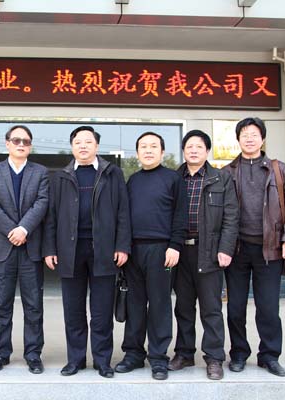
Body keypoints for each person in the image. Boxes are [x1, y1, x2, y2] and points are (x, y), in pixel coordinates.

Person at [44, 126, 131, 379]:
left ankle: (102, 361)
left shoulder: (112, 173)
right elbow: (51, 216)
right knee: (73, 310)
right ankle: (76, 360)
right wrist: (50, 248)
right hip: (69, 250)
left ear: (97, 146)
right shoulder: (60, 177)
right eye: (78, 142)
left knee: (102, 311)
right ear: (72, 147)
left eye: (88, 142)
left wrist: (122, 245)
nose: (83, 146)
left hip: (103, 250)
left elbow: (123, 211)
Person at [223, 117, 285, 377]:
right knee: (235, 307)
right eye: (244, 134)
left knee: (268, 308)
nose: (249, 138)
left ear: (263, 139)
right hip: (237, 250)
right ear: (238, 139)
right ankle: (238, 353)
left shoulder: (280, 170)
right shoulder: (227, 172)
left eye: (254, 134)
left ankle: (269, 355)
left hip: (270, 249)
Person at [115, 132, 186, 380]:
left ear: (162, 152)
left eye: (153, 146)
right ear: (137, 153)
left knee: (159, 305)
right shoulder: (132, 180)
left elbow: (181, 215)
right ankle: (133, 354)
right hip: (134, 251)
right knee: (134, 305)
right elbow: (123, 217)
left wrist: (175, 245)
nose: (148, 150)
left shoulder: (173, 179)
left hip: (162, 251)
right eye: (143, 147)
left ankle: (158, 358)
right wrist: (124, 247)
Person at [168, 130, 238, 380]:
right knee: (183, 307)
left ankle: (214, 357)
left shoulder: (221, 178)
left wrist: (225, 249)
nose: (194, 150)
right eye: (189, 146)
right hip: (179, 251)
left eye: (199, 146)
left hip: (209, 250)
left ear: (207, 151)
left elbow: (231, 217)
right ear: (183, 151)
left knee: (211, 308)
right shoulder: (174, 178)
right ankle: (184, 353)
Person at [0, 125, 49, 374]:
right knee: (1, 305)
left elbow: (42, 202)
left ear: (30, 146)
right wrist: (13, 230)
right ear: (7, 143)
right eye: (16, 140)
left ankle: (33, 354)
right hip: (3, 247)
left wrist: (24, 229)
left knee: (33, 305)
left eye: (26, 141)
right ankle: (1, 353)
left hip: (31, 247)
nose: (21, 144)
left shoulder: (40, 172)